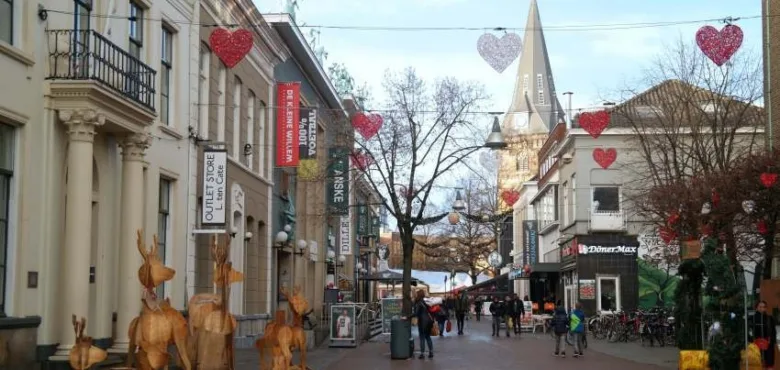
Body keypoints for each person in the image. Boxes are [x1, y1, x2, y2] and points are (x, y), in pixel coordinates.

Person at [753, 300, 776, 369]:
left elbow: (773, 332)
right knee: (757, 363)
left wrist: (771, 341)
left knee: (769, 363)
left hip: (768, 344)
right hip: (756, 344)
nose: (762, 308)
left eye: (764, 307)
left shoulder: (770, 318)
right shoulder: (752, 319)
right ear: (756, 307)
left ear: (766, 308)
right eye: (760, 307)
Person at [413, 290, 434, 359]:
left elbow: (416, 313)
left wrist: (408, 316)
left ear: (418, 295)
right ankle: (431, 352)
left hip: (422, 322)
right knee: (428, 337)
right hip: (429, 321)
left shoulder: (418, 302)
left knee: (422, 337)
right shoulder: (426, 302)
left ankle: (422, 353)